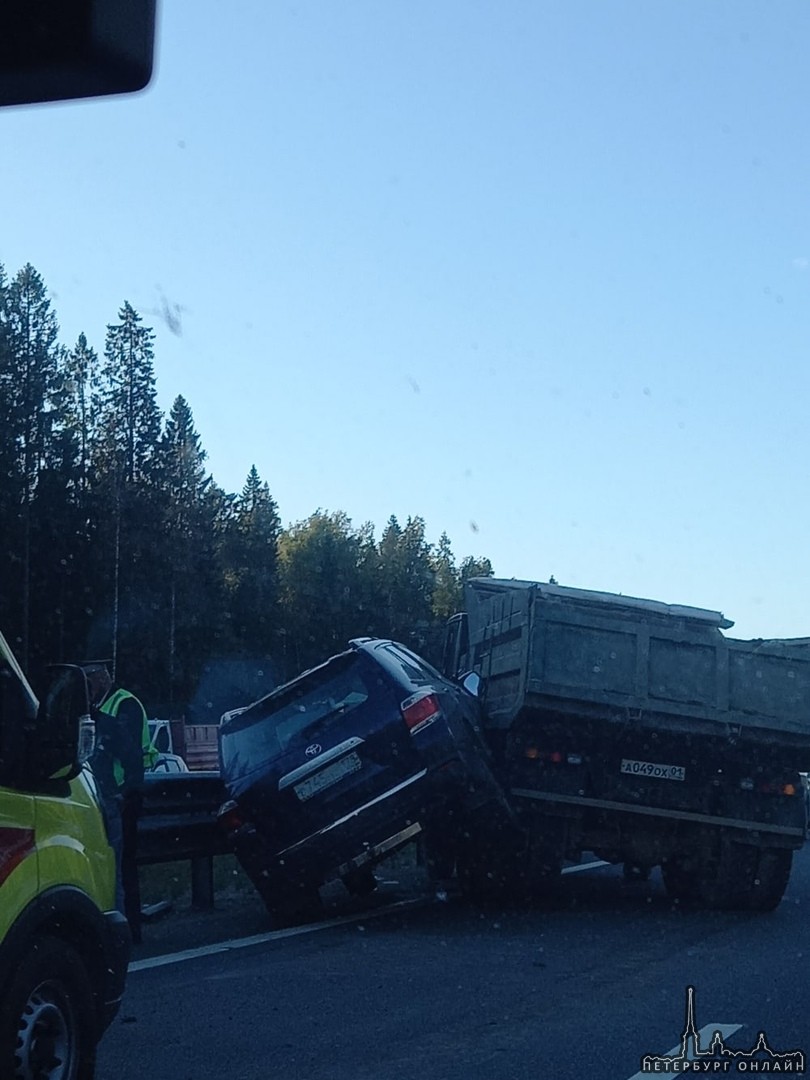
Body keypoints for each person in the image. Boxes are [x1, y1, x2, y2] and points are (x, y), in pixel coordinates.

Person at [85, 662, 157, 944]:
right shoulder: (100, 705)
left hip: (124, 796)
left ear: (101, 679)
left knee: (122, 866)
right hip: (105, 796)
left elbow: (126, 751)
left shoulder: (124, 704)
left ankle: (128, 930)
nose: (87, 689)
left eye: (89, 681)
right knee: (115, 863)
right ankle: (121, 926)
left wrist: (126, 792)